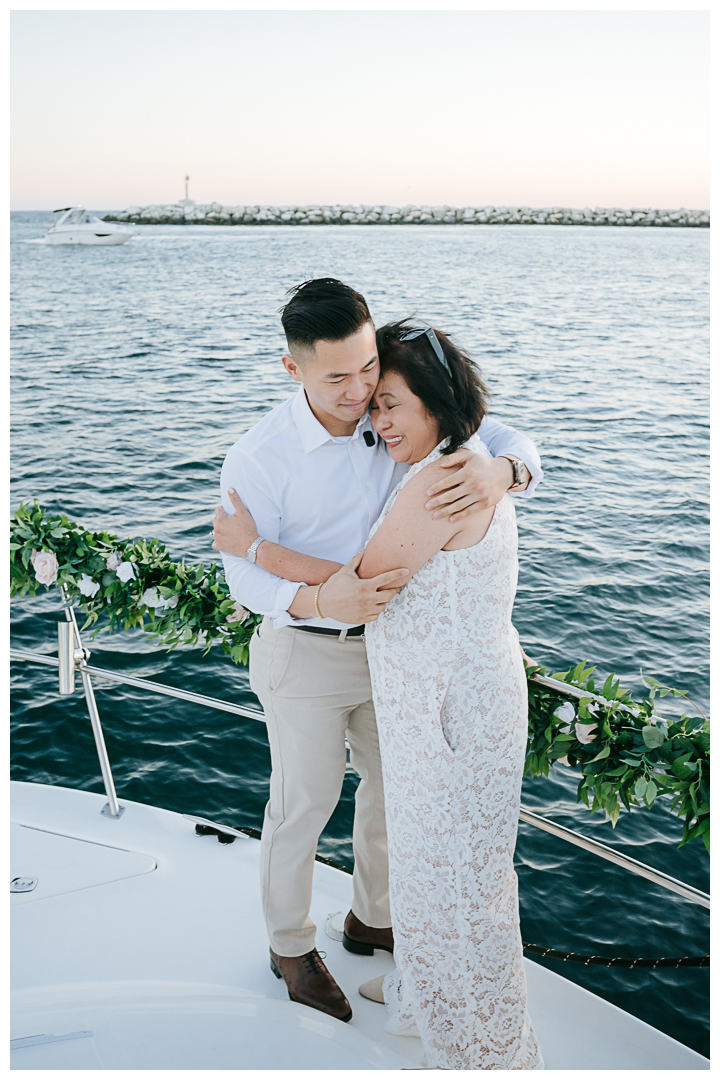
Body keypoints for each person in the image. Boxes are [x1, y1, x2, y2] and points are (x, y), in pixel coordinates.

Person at [214, 278, 543, 1026]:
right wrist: (314, 598)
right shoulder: (259, 455)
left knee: (393, 796)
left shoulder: (396, 409)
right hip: (307, 649)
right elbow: (240, 574)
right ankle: (290, 944)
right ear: (294, 370)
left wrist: (509, 469)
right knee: (304, 803)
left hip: (397, 655)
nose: (362, 390)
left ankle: (373, 916)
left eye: (370, 369)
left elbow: (499, 434)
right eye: (341, 376)